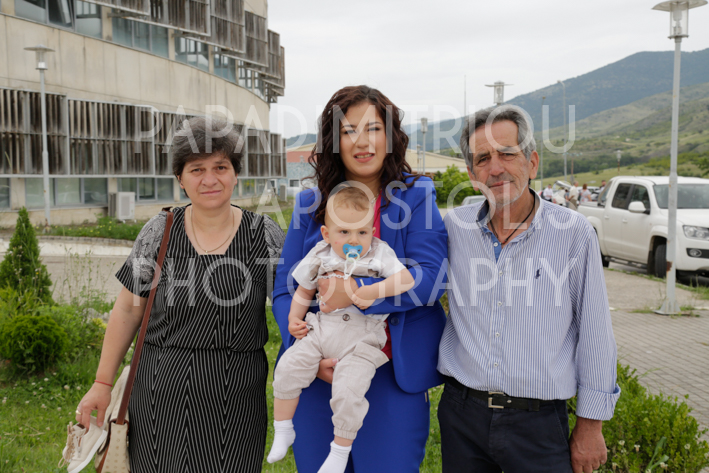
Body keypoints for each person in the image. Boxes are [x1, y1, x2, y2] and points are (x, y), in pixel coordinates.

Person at [72, 117, 285, 473]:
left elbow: (291, 305)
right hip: (159, 396)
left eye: (220, 167)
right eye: (197, 169)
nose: (210, 179)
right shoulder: (160, 231)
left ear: (236, 174)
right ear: (180, 179)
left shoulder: (264, 235)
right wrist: (101, 383)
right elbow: (128, 310)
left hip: (235, 398)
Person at [272, 85, 448, 473]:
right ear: (334, 141)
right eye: (349, 131)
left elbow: (431, 278)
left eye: (373, 129)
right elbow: (285, 287)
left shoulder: (416, 195)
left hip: (388, 370)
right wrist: (304, 343)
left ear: (390, 136)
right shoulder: (309, 204)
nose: (362, 142)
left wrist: (355, 293)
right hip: (318, 370)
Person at [438, 105, 620, 473]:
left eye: (507, 154)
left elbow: (596, 333)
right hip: (462, 418)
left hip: (538, 425)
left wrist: (591, 425)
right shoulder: (452, 229)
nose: (495, 168)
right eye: (482, 159)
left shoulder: (574, 234)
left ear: (532, 163)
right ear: (472, 174)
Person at [268, 186, 415, 473]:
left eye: (362, 232)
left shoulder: (379, 253)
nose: (354, 240)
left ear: (372, 232)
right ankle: (283, 428)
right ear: (326, 234)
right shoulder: (320, 254)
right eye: (344, 232)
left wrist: (370, 291)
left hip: (362, 338)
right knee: (287, 367)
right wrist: (294, 319)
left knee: (349, 393)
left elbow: (406, 280)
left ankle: (339, 451)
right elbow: (303, 290)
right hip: (321, 330)